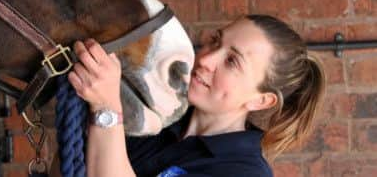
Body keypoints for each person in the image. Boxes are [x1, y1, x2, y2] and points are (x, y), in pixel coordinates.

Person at [68, 14, 326, 177]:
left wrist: (106, 108)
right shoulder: (154, 120)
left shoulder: (244, 172)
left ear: (261, 100)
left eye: (232, 62)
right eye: (215, 41)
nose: (206, 59)